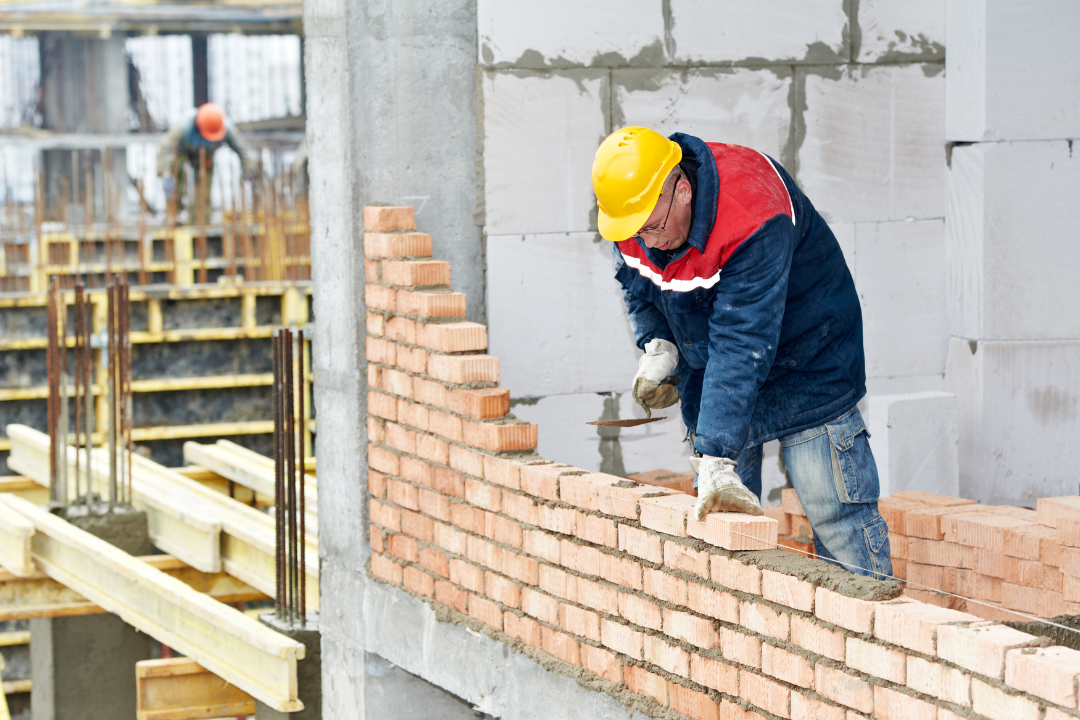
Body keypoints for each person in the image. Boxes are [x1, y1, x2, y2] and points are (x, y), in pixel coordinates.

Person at [591, 127, 891, 579]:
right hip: (718, 369)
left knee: (837, 521)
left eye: (652, 227)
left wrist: (714, 454)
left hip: (806, 360)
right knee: (726, 538)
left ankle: (871, 640)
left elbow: (743, 339)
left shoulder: (752, 213)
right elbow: (638, 283)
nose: (647, 241)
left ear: (683, 191)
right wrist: (659, 343)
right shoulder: (636, 216)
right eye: (636, 232)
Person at [156, 103, 256, 220]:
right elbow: (166, 147)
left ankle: (201, 218)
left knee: (204, 184)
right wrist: (165, 173)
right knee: (176, 173)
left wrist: (250, 169)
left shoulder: (227, 128)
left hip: (206, 155)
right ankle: (174, 215)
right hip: (181, 151)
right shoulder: (185, 125)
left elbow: (242, 148)